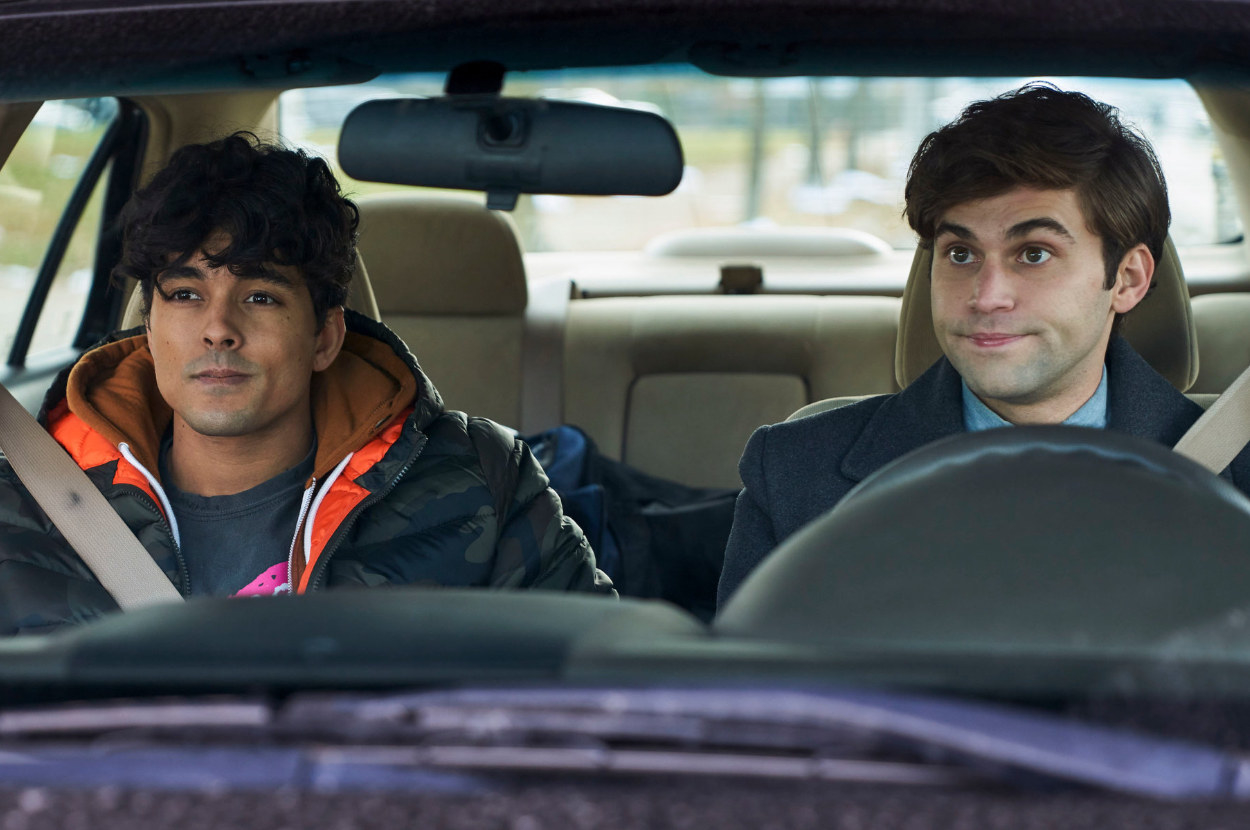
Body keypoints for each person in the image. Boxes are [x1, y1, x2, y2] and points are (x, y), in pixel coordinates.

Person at [0, 132, 611, 635]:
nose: (218, 329)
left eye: (260, 296)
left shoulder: (483, 481)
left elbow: (600, 689)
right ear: (150, 330)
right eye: (186, 294)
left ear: (324, 338)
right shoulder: (27, 497)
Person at [716, 83, 1250, 607]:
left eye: (1034, 254)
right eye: (961, 254)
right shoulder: (794, 473)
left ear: (1128, 279)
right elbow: (745, 693)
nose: (986, 296)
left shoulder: (1235, 471)